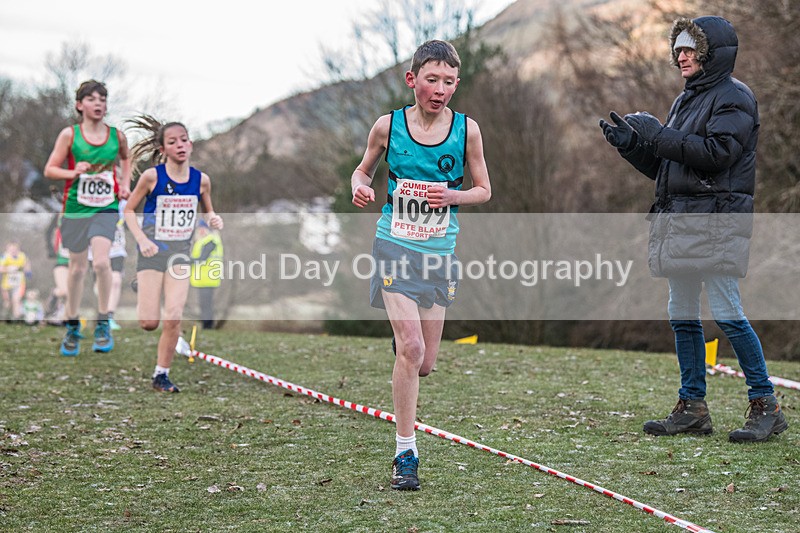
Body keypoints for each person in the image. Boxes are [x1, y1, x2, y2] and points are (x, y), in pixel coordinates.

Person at [599, 16, 788, 442]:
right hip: (681, 222)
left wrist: (659, 135)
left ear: (711, 53)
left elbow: (717, 154)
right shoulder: (686, 99)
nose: (680, 56)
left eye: (690, 49)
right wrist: (633, 146)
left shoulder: (736, 97)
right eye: (678, 49)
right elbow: (670, 168)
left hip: (717, 222)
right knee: (681, 316)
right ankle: (692, 408)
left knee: (727, 313)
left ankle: (767, 405)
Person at [351, 40, 491, 490]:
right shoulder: (387, 126)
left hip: (439, 254)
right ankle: (405, 452)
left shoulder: (467, 130)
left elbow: (484, 189)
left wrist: (453, 195)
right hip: (394, 246)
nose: (441, 89)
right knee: (411, 348)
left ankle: (403, 347)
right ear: (413, 80)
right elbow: (362, 170)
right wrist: (359, 186)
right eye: (432, 80)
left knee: (424, 363)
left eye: (449, 82)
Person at [124, 117, 223, 393]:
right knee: (148, 323)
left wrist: (214, 219)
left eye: (183, 140)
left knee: (174, 317)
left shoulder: (201, 181)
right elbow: (129, 210)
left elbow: (208, 212)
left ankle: (161, 375)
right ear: (163, 149)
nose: (179, 145)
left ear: (190, 144)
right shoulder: (152, 177)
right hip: (152, 253)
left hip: (180, 255)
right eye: (172, 142)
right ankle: (143, 284)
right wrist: (142, 239)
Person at [43, 79, 131, 356]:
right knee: (77, 269)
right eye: (92, 99)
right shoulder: (70, 135)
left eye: (102, 99)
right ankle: (72, 324)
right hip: (75, 209)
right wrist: (73, 172)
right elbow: (50, 169)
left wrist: (125, 184)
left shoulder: (117, 136)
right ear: (80, 105)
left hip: (105, 207)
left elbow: (126, 158)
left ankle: (103, 321)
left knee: (103, 263)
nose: (98, 104)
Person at [89, 200, 128, 330]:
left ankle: (109, 316)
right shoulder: (95, 199)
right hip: (96, 249)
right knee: (99, 284)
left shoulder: (123, 204)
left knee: (116, 281)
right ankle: (103, 312)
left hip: (117, 249)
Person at [190, 220, 223, 329]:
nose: (201, 231)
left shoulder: (210, 241)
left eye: (203, 228)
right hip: (204, 278)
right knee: (205, 304)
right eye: (199, 229)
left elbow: (202, 258)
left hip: (207, 278)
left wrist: (185, 260)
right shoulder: (203, 241)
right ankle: (207, 325)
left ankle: (208, 326)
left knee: (206, 304)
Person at [44, 212, 69, 325]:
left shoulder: (83, 213)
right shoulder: (60, 215)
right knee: (63, 290)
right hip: (61, 260)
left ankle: (65, 319)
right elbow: (48, 232)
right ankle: (52, 301)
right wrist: (50, 248)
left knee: (72, 293)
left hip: (78, 261)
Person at [1, 241, 31, 321]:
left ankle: (16, 318)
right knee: (7, 302)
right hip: (7, 284)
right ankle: (5, 316)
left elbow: (27, 263)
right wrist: (9, 269)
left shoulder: (22, 256)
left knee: (16, 300)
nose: (13, 251)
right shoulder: (4, 257)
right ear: (7, 250)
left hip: (19, 283)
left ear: (18, 249)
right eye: (11, 250)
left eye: (15, 249)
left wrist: (28, 270)